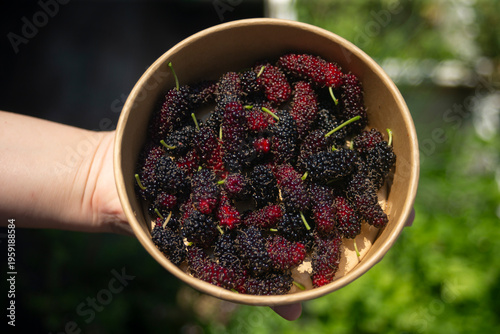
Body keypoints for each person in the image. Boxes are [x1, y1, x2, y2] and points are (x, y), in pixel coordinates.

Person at [0, 110, 414, 322]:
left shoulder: (290, 175)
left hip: (277, 192)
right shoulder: (214, 185)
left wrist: (92, 174)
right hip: (232, 196)